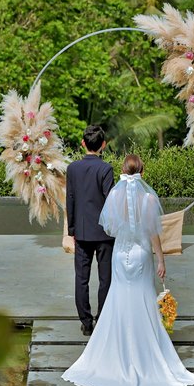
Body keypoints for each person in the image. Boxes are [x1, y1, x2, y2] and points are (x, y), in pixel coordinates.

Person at [62, 154, 194, 386]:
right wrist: (161, 259)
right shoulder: (148, 198)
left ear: (123, 171)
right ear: (142, 172)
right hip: (139, 255)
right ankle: (145, 352)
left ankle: (116, 352)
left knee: (119, 300)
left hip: (120, 254)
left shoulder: (115, 195)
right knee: (143, 300)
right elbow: (153, 233)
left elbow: (110, 227)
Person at [66, 125, 115, 336]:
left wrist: (72, 230)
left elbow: (70, 199)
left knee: (81, 278)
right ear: (103, 145)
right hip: (104, 233)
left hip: (83, 232)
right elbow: (110, 200)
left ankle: (86, 323)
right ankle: (102, 319)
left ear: (83, 143)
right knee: (106, 278)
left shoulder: (72, 168)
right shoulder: (106, 169)